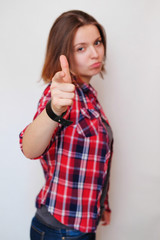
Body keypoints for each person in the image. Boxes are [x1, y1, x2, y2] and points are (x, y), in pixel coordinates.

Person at [19, 10, 113, 240]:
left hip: (83, 225)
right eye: (81, 48)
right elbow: (29, 148)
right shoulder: (61, 97)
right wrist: (54, 109)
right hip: (59, 230)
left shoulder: (89, 96)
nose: (94, 53)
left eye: (97, 42)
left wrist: (102, 205)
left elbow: (95, 162)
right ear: (63, 54)